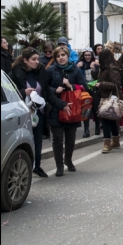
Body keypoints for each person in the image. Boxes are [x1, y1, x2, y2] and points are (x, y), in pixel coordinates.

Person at [9, 47, 67, 178]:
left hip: (38, 113)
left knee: (38, 140)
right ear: (25, 60)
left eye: (37, 59)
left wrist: (62, 105)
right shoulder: (14, 73)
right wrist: (23, 92)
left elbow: (47, 93)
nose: (37, 62)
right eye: (33, 59)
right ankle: (20, 168)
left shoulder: (41, 72)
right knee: (22, 140)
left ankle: (37, 166)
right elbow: (9, 92)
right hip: (22, 113)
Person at [46, 46, 88, 176]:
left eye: (63, 55)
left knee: (70, 138)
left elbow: (84, 87)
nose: (61, 58)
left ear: (68, 56)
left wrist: (71, 86)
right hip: (56, 108)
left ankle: (68, 160)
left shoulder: (75, 70)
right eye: (58, 56)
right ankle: (59, 165)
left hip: (72, 108)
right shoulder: (50, 70)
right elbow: (44, 87)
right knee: (57, 138)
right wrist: (54, 90)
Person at [96, 48, 123, 153]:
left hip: (110, 98)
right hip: (105, 97)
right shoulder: (104, 68)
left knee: (106, 120)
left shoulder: (112, 68)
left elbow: (116, 84)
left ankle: (107, 144)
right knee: (111, 120)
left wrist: (101, 84)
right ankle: (116, 141)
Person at [76, 47, 99, 138]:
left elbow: (98, 76)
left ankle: (97, 127)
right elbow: (76, 75)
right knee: (85, 109)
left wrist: (94, 68)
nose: (87, 57)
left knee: (95, 108)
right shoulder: (79, 64)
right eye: (85, 55)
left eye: (89, 55)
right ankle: (86, 130)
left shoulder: (95, 64)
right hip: (84, 89)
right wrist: (77, 67)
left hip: (94, 89)